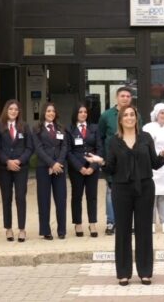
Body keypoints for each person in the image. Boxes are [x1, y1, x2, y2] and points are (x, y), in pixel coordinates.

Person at [88, 106, 164, 286]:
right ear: (121, 120)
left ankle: (145, 272)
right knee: (122, 230)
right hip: (121, 189)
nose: (129, 118)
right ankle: (123, 273)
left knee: (144, 229)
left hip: (145, 187)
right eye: (126, 115)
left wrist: (162, 155)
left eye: (132, 115)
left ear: (136, 118)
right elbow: (111, 168)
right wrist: (101, 162)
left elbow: (154, 163)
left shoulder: (146, 138)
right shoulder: (114, 141)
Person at [98, 86, 137, 235]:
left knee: (132, 192)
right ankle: (111, 223)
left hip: (132, 161)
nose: (125, 98)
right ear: (117, 98)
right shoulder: (106, 115)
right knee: (111, 192)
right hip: (112, 160)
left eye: (128, 96)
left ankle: (129, 223)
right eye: (122, 96)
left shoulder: (135, 115)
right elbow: (100, 137)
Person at [0, 100, 33, 243]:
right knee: (6, 198)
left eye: (16, 109)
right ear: (6, 110)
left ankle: (22, 229)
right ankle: (8, 228)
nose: (13, 111)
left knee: (20, 197)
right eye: (11, 109)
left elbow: (30, 147)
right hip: (4, 167)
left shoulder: (24, 127)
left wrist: (19, 160)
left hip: (20, 168)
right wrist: (7, 161)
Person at [32, 102, 68, 240]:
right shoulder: (36, 129)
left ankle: (62, 230)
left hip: (60, 168)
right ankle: (45, 230)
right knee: (44, 200)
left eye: (53, 111)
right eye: (48, 111)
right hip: (43, 168)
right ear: (43, 113)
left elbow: (64, 146)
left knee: (61, 199)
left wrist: (58, 163)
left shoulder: (61, 128)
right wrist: (52, 164)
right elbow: (38, 149)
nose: (51, 113)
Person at [67, 102, 102, 238]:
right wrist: (80, 167)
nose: (83, 114)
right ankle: (78, 223)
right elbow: (68, 152)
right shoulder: (69, 130)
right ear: (76, 114)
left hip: (92, 167)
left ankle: (92, 223)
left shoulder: (95, 128)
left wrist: (93, 167)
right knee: (77, 196)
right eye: (80, 112)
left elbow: (100, 148)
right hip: (77, 168)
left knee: (92, 196)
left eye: (85, 112)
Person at [142, 103, 164, 234]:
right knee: (150, 195)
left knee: (163, 195)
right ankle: (150, 222)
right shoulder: (147, 127)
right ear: (156, 114)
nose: (163, 115)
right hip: (150, 161)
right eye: (161, 113)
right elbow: (144, 144)